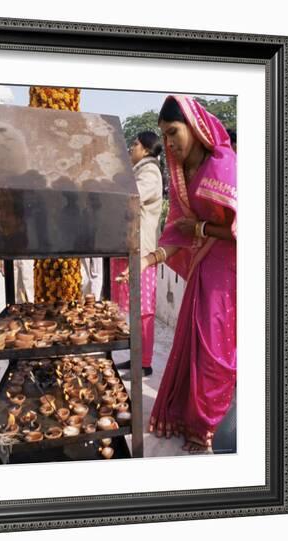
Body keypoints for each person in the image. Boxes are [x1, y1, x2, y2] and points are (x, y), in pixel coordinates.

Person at [139, 95, 237, 454]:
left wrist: (201, 229)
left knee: (214, 348)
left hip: (229, 267)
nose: (168, 143)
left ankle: (209, 426)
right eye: (163, 135)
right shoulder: (181, 174)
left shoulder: (223, 163)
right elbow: (180, 231)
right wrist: (149, 260)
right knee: (193, 344)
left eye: (173, 132)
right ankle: (189, 418)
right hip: (203, 266)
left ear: (194, 128)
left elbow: (246, 228)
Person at [111, 131, 163, 376]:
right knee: (131, 308)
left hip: (141, 253)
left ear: (145, 149)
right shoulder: (139, 171)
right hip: (130, 248)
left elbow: (130, 198)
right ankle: (135, 359)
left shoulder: (149, 172)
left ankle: (144, 363)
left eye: (135, 145)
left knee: (142, 310)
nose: (131, 149)